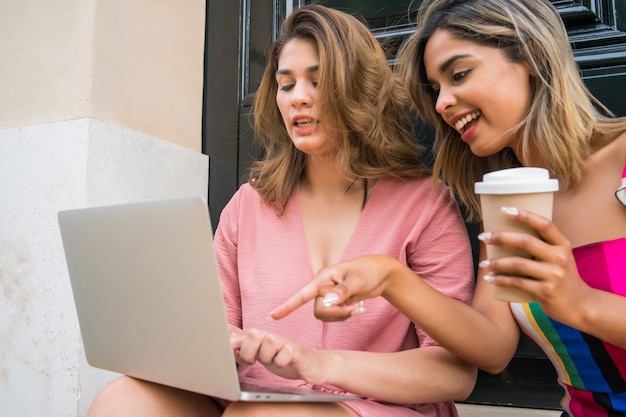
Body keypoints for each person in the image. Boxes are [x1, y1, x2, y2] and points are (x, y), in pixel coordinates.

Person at [85, 4, 476, 417]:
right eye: (286, 84)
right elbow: (218, 334)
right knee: (122, 401)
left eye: (317, 80)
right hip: (252, 398)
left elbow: (452, 371)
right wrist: (219, 343)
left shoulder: (426, 204)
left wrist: (320, 363)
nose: (299, 97)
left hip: (371, 406)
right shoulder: (248, 205)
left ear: (360, 87)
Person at [269, 1, 626, 416]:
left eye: (459, 75)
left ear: (531, 55)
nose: (442, 103)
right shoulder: (504, 199)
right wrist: (393, 278)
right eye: (436, 89)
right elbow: (492, 348)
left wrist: (581, 302)